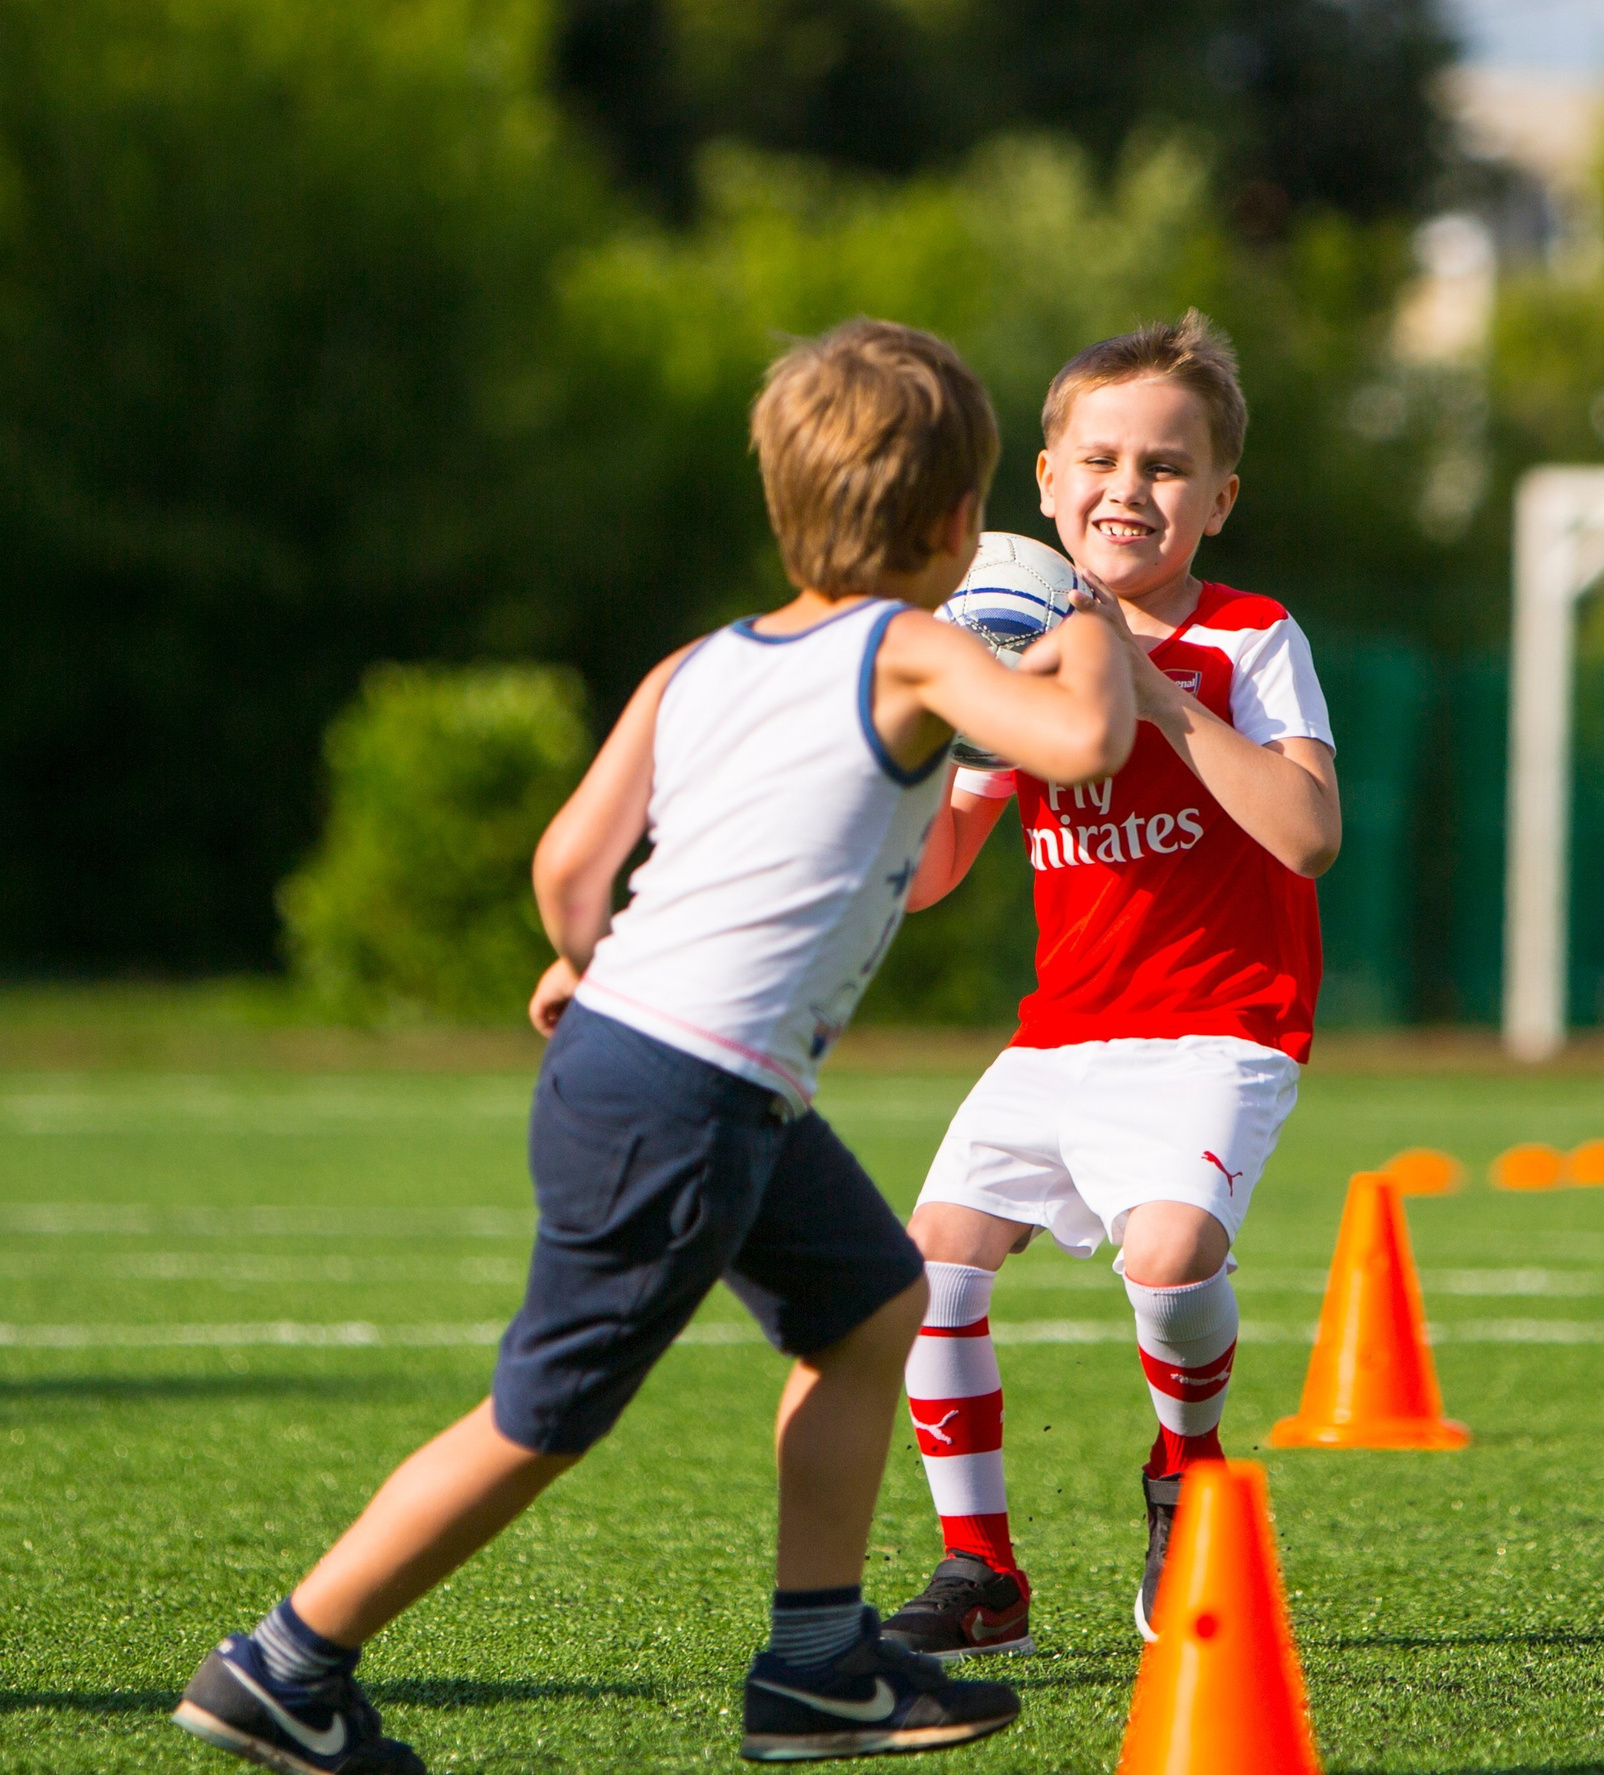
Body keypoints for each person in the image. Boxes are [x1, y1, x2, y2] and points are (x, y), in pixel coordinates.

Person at [172, 318, 1135, 1771]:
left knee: (875, 1303)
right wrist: (1094, 626)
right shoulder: (915, 647)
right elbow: (1084, 745)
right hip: (690, 1093)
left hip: (667, 1068)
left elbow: (571, 863)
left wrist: (583, 961)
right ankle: (286, 1662)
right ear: (958, 523)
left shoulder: (700, 663)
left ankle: (816, 1664)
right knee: (544, 1414)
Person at [874, 311, 1340, 1658]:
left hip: (1221, 1025)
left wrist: (1153, 691)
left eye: (1166, 465)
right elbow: (932, 874)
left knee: (1171, 1254)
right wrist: (922, 742)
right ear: (1045, 480)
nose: (1127, 488)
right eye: (1100, 458)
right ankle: (981, 1572)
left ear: (1220, 497)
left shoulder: (1247, 637)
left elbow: (1309, 834)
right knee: (930, 1262)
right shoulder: (1011, 640)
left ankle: (1186, 1466)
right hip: (1064, 1032)